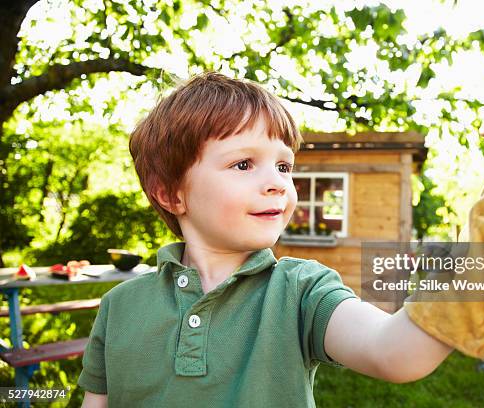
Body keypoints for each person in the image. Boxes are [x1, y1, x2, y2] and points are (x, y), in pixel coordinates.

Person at [78, 72, 453, 407]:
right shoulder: (118, 307)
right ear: (172, 194)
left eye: (284, 166)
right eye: (244, 164)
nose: (278, 183)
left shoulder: (303, 291)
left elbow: (396, 352)